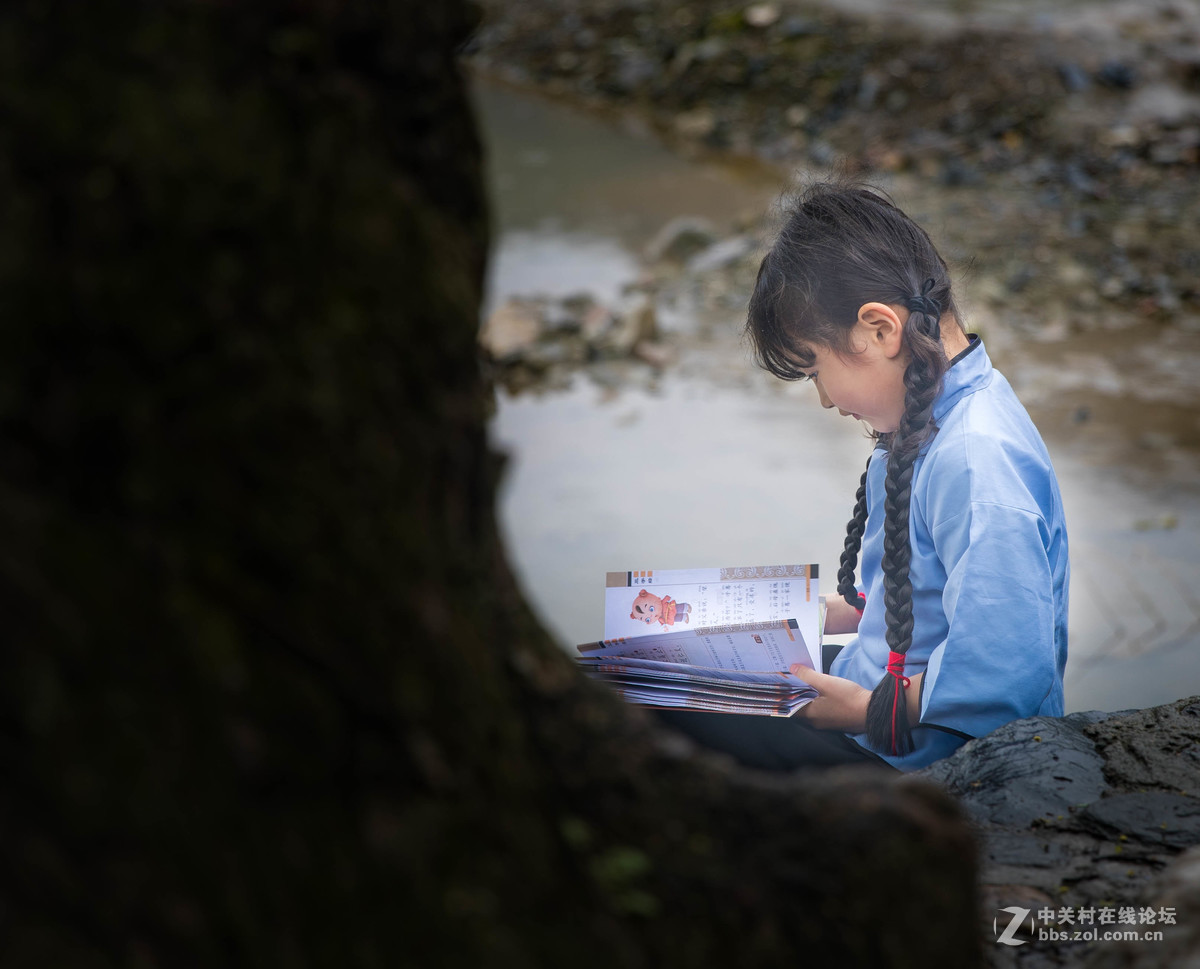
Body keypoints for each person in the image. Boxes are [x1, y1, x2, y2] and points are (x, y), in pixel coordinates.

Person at [656, 179, 1069, 771]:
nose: (824, 399)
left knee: (658, 705)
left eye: (815, 370)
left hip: (922, 755)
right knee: (670, 656)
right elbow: (920, 597)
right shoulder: (929, 416)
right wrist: (798, 612)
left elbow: (1008, 672)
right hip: (877, 691)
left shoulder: (977, 458)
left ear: (880, 328)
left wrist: (859, 710)